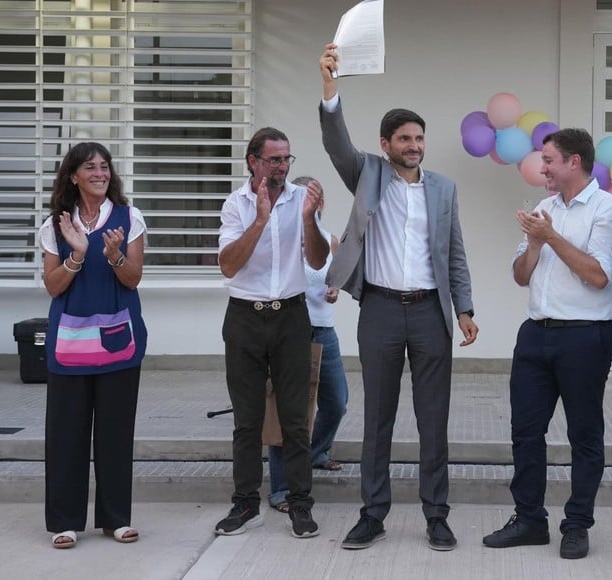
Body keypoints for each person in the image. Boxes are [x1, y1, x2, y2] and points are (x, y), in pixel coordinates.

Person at [318, 43, 479, 552]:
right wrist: (330, 88)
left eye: (419, 138)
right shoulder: (367, 173)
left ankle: (437, 515)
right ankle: (372, 514)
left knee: (434, 420)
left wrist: (466, 307)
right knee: (378, 419)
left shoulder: (444, 189)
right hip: (381, 309)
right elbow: (335, 141)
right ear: (385, 143)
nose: (414, 145)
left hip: (432, 312)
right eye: (404, 138)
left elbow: (454, 252)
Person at [482, 129, 612, 560]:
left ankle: (577, 524)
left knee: (585, 435)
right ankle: (529, 519)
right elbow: (521, 275)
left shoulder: (607, 209)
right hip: (535, 333)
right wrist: (532, 242)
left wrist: (551, 238)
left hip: (585, 335)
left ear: (574, 163)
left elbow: (599, 275)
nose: (541, 168)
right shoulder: (544, 209)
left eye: (548, 160)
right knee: (525, 431)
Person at [215, 127, 329, 539]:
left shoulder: (302, 200)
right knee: (247, 420)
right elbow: (229, 265)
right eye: (274, 160)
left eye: (286, 159)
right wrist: (261, 220)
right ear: (253, 162)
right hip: (245, 316)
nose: (282, 167)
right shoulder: (235, 204)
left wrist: (309, 221)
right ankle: (245, 504)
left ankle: (300, 504)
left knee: (296, 419)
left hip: (291, 316)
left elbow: (317, 260)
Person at [39, 141, 148, 549]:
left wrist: (116, 255)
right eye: (90, 167)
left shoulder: (129, 217)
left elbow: (133, 279)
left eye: (104, 166)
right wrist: (78, 254)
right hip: (69, 344)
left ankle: (116, 519)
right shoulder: (55, 225)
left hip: (118, 342)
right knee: (66, 434)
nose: (100, 173)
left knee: (115, 434)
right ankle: (65, 522)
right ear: (73, 176)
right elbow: (52, 286)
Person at [267, 176, 350, 513]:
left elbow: (337, 277)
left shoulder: (329, 239)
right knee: (286, 411)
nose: (312, 202)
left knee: (337, 401)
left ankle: (315, 453)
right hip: (290, 332)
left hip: (323, 330)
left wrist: (335, 291)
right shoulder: (280, 236)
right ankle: (281, 488)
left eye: (317, 196)